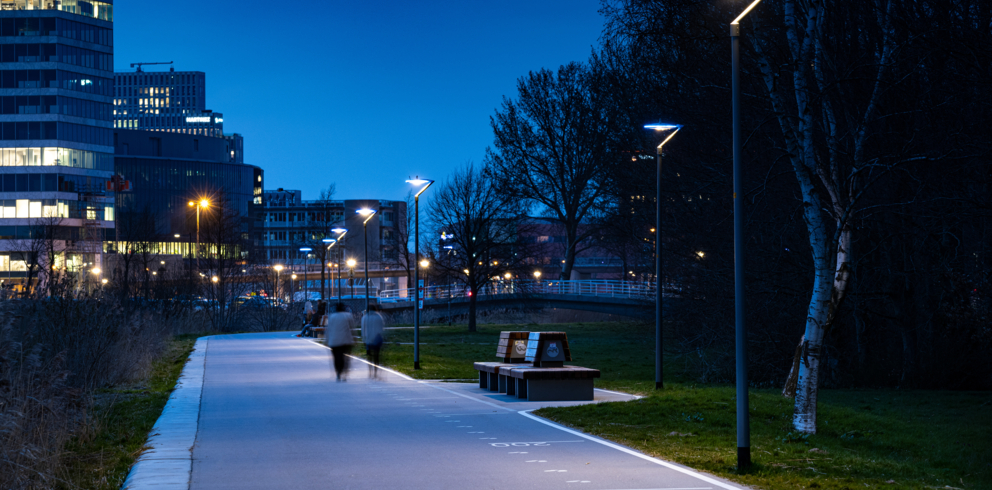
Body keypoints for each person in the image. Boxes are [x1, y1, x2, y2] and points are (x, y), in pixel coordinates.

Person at [325, 302, 355, 381]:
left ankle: (338, 372)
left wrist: (326, 340)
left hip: (334, 341)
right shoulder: (348, 316)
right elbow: (352, 328)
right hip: (346, 340)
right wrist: (355, 338)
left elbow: (328, 330)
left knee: (336, 357)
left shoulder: (331, 317)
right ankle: (345, 372)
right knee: (345, 357)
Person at [361, 305, 386, 378]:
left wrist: (363, 339)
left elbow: (363, 329)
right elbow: (381, 328)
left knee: (369, 355)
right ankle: (375, 371)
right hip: (377, 339)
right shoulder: (379, 317)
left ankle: (370, 371)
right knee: (376, 356)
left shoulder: (365, 317)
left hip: (368, 339)